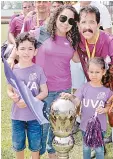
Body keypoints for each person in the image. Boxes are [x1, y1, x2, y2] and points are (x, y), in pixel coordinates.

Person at [7, 5, 80, 159]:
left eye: (71, 21)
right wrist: (12, 57)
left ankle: (52, 155)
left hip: (64, 91)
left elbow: (77, 58)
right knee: (41, 130)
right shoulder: (41, 32)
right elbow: (23, 41)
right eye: (63, 18)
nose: (66, 23)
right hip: (43, 90)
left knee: (58, 131)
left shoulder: (72, 38)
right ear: (56, 17)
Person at [75, 6, 113, 159]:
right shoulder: (78, 41)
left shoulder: (111, 41)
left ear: (98, 24)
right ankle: (96, 147)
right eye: (83, 22)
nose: (87, 26)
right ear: (78, 24)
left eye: (92, 22)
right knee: (93, 115)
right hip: (94, 85)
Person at [61, 57, 113, 159]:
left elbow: (109, 105)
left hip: (100, 126)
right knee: (86, 147)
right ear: (87, 72)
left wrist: (105, 109)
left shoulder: (106, 91)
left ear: (103, 72)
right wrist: (70, 96)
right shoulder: (84, 87)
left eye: (97, 72)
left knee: (99, 148)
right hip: (85, 125)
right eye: (91, 72)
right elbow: (77, 101)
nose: (94, 75)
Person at [7, 32, 48, 159]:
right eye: (22, 48)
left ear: (35, 52)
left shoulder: (38, 70)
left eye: (30, 48)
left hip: (34, 117)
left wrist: (31, 100)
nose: (26, 52)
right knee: (18, 145)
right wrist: (12, 96)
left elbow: (44, 92)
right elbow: (9, 90)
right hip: (17, 117)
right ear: (17, 51)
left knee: (35, 145)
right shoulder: (13, 70)